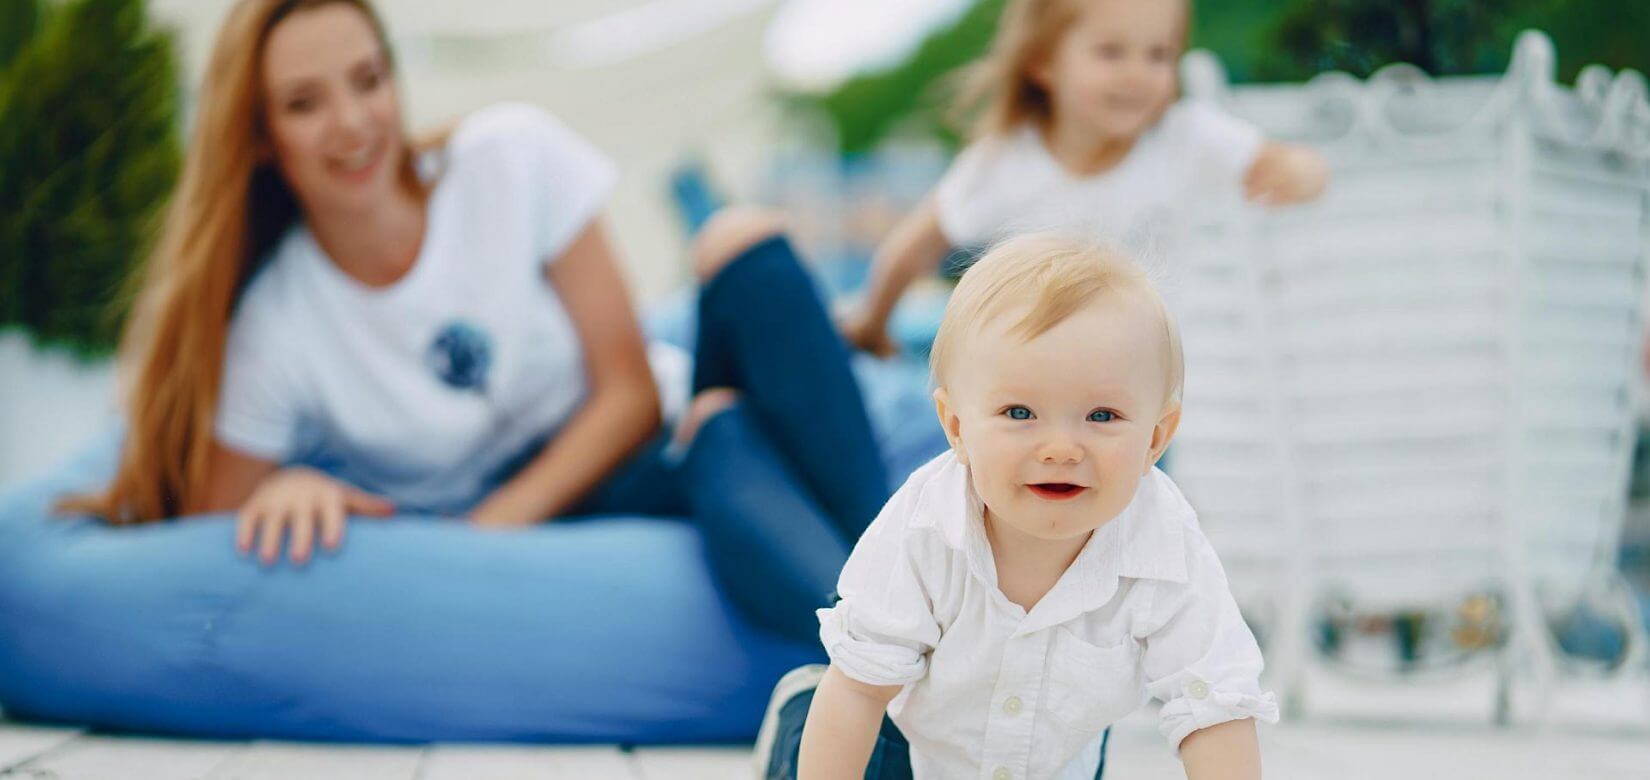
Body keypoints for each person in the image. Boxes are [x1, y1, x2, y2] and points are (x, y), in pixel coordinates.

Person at [58, 0, 887, 645]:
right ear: (262, 136)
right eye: (306, 103)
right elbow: (203, 531)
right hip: (619, 488)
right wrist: (286, 483)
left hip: (644, 434)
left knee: (742, 243)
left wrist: (485, 532)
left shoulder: (508, 158)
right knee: (721, 429)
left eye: (368, 79)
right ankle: (902, 653)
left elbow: (631, 394)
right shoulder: (279, 324)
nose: (353, 122)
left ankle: (911, 612)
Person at [756, 234, 1277, 779]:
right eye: (1020, 412)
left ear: (1155, 438)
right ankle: (797, 722)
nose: (1060, 448)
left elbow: (1214, 705)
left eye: (1101, 416)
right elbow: (860, 690)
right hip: (904, 751)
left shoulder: (1164, 542)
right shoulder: (928, 524)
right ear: (956, 428)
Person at [840, 0, 1328, 358]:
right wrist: (873, 322)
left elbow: (1283, 161)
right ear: (1043, 64)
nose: (1137, 74)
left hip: (1140, 381)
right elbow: (914, 246)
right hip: (1028, 379)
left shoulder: (1184, 135)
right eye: (1111, 52)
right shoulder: (1006, 162)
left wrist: (1301, 174)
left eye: (1158, 55)